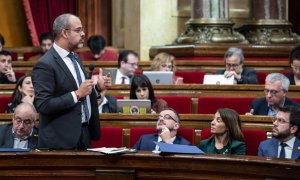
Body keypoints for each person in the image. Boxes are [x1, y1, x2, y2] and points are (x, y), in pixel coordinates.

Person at [31, 13, 111, 150]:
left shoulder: (75, 57)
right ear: (64, 33)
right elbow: (43, 104)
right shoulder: (45, 64)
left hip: (83, 133)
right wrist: (77, 94)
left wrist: (97, 88)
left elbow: (81, 90)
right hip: (60, 140)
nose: (83, 34)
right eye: (78, 30)